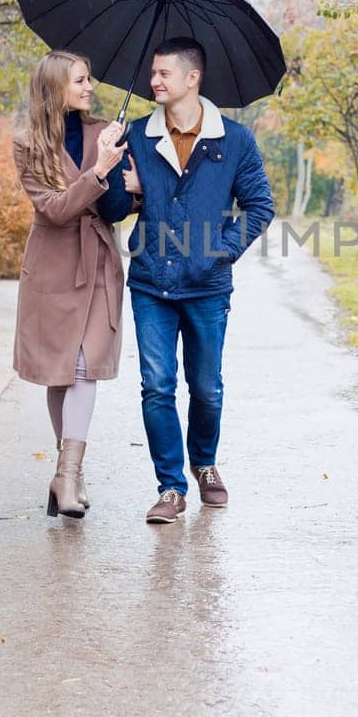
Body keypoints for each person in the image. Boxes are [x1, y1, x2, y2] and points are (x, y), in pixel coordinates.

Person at [120, 37, 275, 524]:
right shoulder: (137, 138)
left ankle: (204, 464)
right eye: (153, 73)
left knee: (206, 388)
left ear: (192, 78)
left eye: (164, 74)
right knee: (156, 386)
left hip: (207, 287)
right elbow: (115, 207)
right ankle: (170, 487)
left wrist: (222, 252)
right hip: (151, 283)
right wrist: (119, 180)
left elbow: (260, 207)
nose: (154, 82)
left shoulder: (235, 140)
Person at [11, 50, 133, 519]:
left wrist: (127, 182)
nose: (89, 87)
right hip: (53, 267)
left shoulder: (108, 131)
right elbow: (55, 209)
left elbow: (118, 204)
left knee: (83, 367)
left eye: (90, 79)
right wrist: (99, 170)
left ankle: (65, 475)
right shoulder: (28, 144)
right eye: (80, 80)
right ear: (56, 86)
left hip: (97, 262)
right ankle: (72, 475)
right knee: (59, 372)